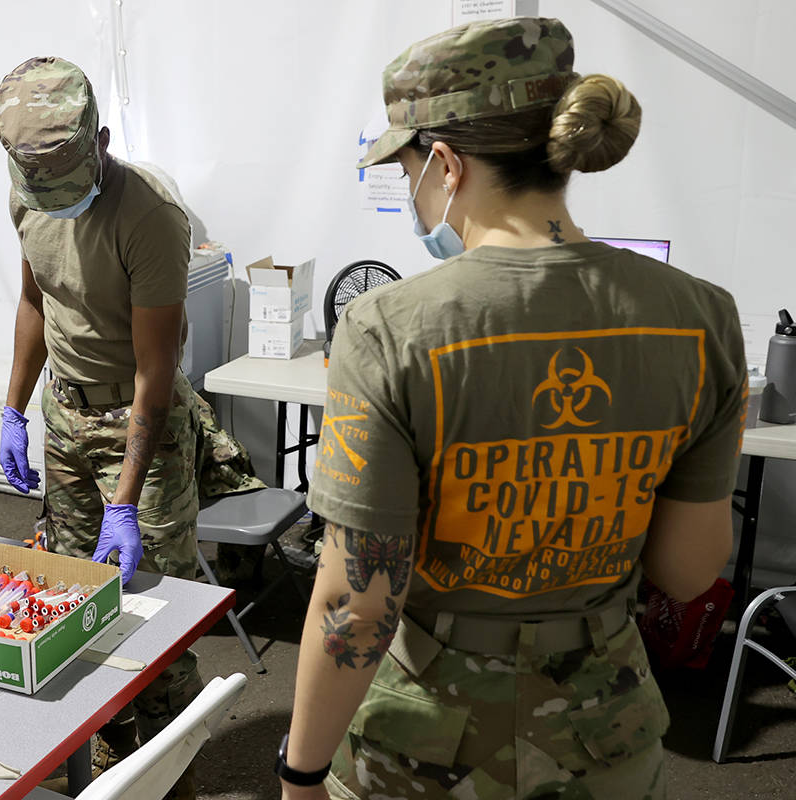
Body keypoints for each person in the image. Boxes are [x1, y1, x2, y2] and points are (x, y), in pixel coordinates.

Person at [278, 18, 744, 800]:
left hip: (426, 749)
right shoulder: (701, 318)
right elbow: (688, 571)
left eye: (408, 170)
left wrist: (300, 774)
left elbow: (357, 604)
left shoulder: (389, 328)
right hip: (604, 736)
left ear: (446, 164)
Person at [0, 56, 203, 796]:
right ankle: (108, 761)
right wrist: (14, 408)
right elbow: (35, 301)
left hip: (139, 421)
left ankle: (174, 771)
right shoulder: (29, 192)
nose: (52, 199)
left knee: (158, 614)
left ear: (101, 142)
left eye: (65, 183)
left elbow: (155, 368)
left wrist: (127, 499)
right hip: (65, 413)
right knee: (75, 603)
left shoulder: (150, 215)